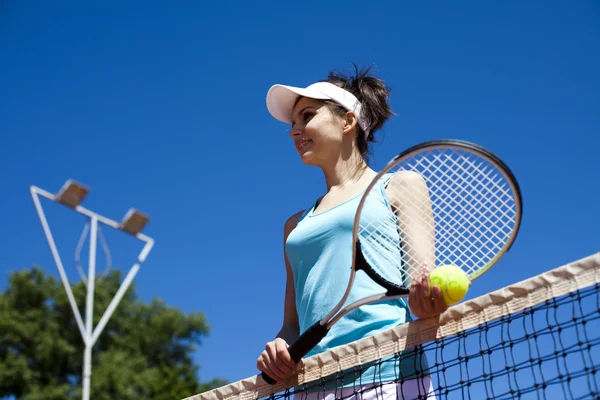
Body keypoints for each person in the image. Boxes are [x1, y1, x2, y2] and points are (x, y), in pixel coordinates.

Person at [257, 66, 447, 399]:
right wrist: (280, 348)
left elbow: (422, 284)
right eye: (293, 123)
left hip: (388, 374)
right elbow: (292, 325)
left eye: (307, 116)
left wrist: (429, 299)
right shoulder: (295, 226)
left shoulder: (400, 187)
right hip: (313, 383)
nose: (294, 130)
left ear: (347, 122)